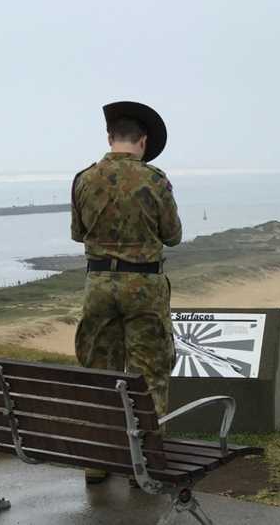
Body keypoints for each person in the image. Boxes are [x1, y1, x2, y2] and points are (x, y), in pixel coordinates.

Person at [71, 101, 182, 484]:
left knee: (99, 370)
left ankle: (98, 462)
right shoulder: (155, 181)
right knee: (149, 373)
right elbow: (173, 235)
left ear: (110, 138)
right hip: (144, 286)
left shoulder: (84, 179)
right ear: (143, 140)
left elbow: (78, 233)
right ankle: (144, 464)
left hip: (98, 285)